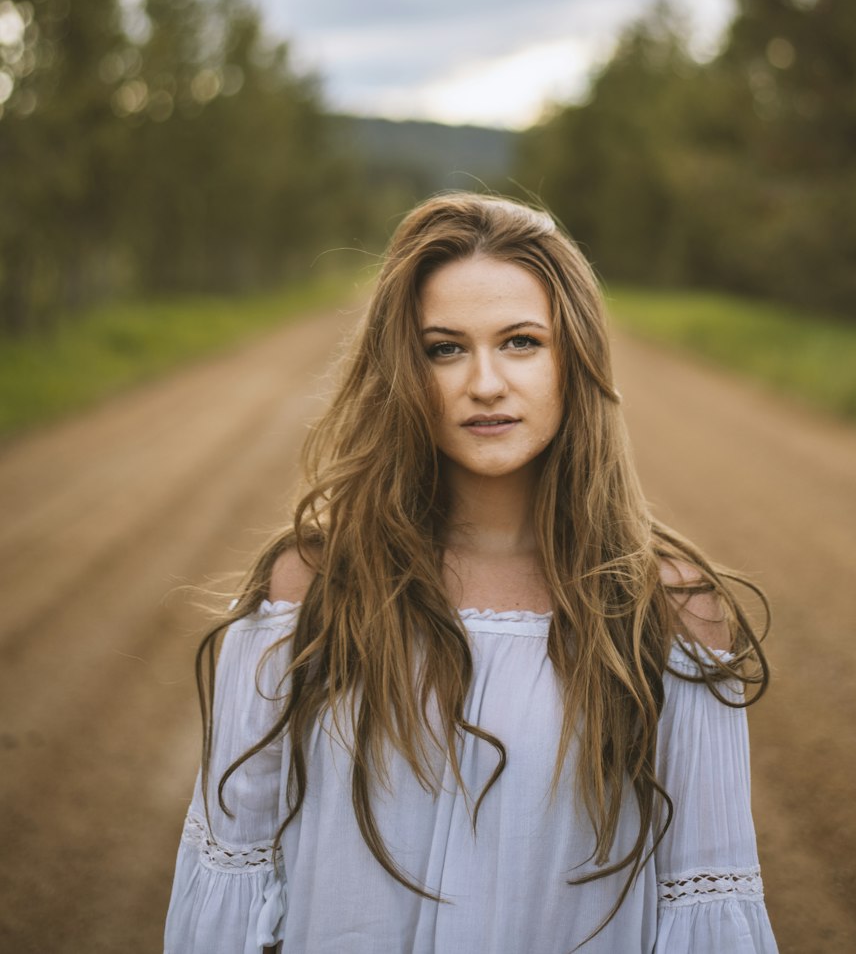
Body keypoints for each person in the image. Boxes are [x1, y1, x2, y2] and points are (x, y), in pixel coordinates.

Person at [164, 191, 779, 954]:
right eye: (444, 348)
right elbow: (236, 870)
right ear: (403, 371)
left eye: (521, 342)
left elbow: (705, 905)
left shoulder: (669, 608)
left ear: (574, 360)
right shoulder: (311, 589)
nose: (484, 383)